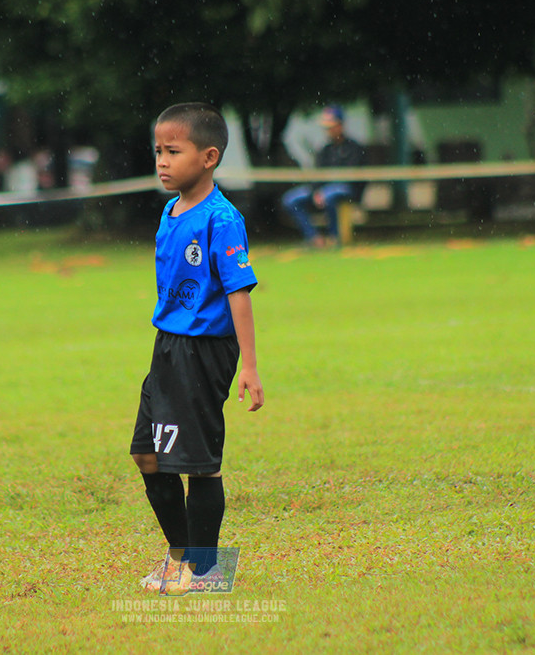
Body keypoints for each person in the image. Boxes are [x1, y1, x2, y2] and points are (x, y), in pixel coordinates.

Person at [131, 103, 264, 593]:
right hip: (166, 346)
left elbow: (239, 294)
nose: (162, 161)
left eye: (173, 151)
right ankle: (182, 557)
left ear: (209, 157)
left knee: (199, 463)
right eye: (158, 151)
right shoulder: (171, 209)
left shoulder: (222, 219)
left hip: (203, 352)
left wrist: (249, 366)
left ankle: (205, 572)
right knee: (147, 454)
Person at [280, 105, 367, 247]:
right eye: (326, 127)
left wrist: (324, 191)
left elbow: (352, 176)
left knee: (329, 196)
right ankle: (314, 238)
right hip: (324, 189)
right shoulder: (325, 149)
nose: (329, 130)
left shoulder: (354, 148)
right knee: (290, 200)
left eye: (332, 126)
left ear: (341, 125)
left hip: (347, 189)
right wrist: (316, 192)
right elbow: (318, 174)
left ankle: (334, 238)